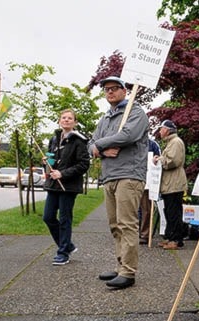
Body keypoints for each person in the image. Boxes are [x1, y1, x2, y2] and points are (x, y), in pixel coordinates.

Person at [88, 76, 149, 289]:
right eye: (106, 90)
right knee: (115, 225)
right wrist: (100, 149)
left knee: (127, 224)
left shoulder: (136, 112)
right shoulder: (105, 118)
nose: (110, 92)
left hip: (129, 175)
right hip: (109, 176)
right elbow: (90, 144)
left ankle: (128, 272)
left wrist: (100, 145)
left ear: (125, 91)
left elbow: (128, 135)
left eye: (114, 88)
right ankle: (121, 265)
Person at [42, 108, 91, 266]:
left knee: (64, 219)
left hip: (68, 186)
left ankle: (62, 252)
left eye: (70, 118)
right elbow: (53, 161)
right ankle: (68, 245)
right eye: (64, 117)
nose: (66, 120)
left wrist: (63, 174)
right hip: (53, 185)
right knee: (48, 217)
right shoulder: (54, 139)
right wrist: (47, 163)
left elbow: (84, 164)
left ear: (75, 122)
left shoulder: (79, 141)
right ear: (59, 121)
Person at [154, 120, 188, 250]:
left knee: (174, 212)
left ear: (167, 130)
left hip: (174, 184)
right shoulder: (171, 142)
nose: (160, 131)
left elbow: (173, 161)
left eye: (161, 129)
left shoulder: (176, 142)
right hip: (170, 184)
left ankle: (175, 239)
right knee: (169, 211)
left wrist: (159, 160)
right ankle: (169, 237)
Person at [139, 137, 161, 245]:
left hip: (146, 182)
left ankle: (144, 234)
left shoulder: (153, 145)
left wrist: (156, 160)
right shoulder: (132, 142)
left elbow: (159, 161)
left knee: (146, 209)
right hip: (133, 179)